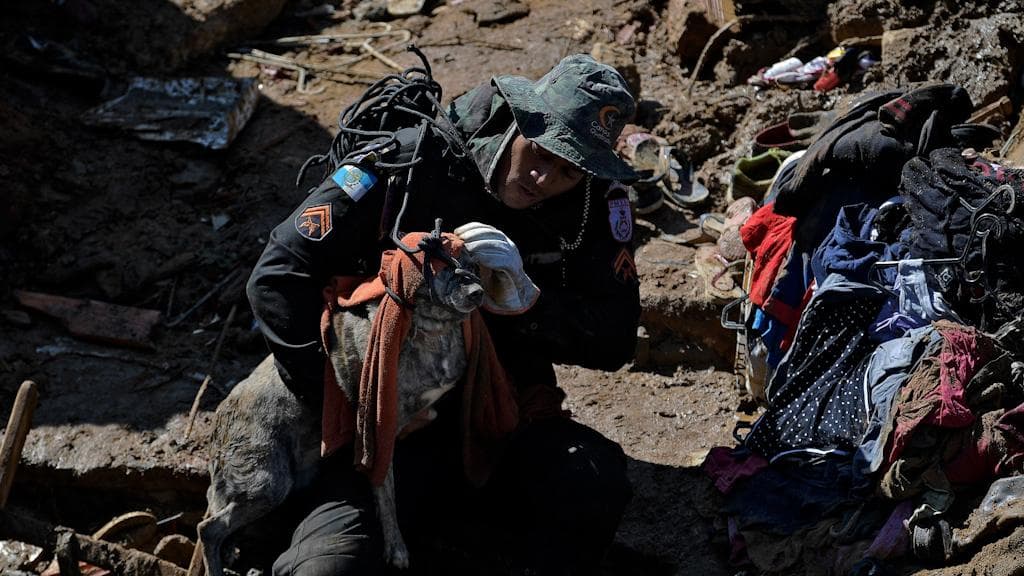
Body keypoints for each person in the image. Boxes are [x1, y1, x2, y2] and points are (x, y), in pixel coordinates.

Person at [245, 52, 642, 575]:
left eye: (567, 170)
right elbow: (277, 276)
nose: (543, 178)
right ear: (519, 120)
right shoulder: (408, 164)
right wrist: (348, 406)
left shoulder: (594, 205)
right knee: (328, 566)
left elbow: (615, 341)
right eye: (539, 151)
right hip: (383, 426)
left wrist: (527, 303)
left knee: (594, 482)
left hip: (497, 412)